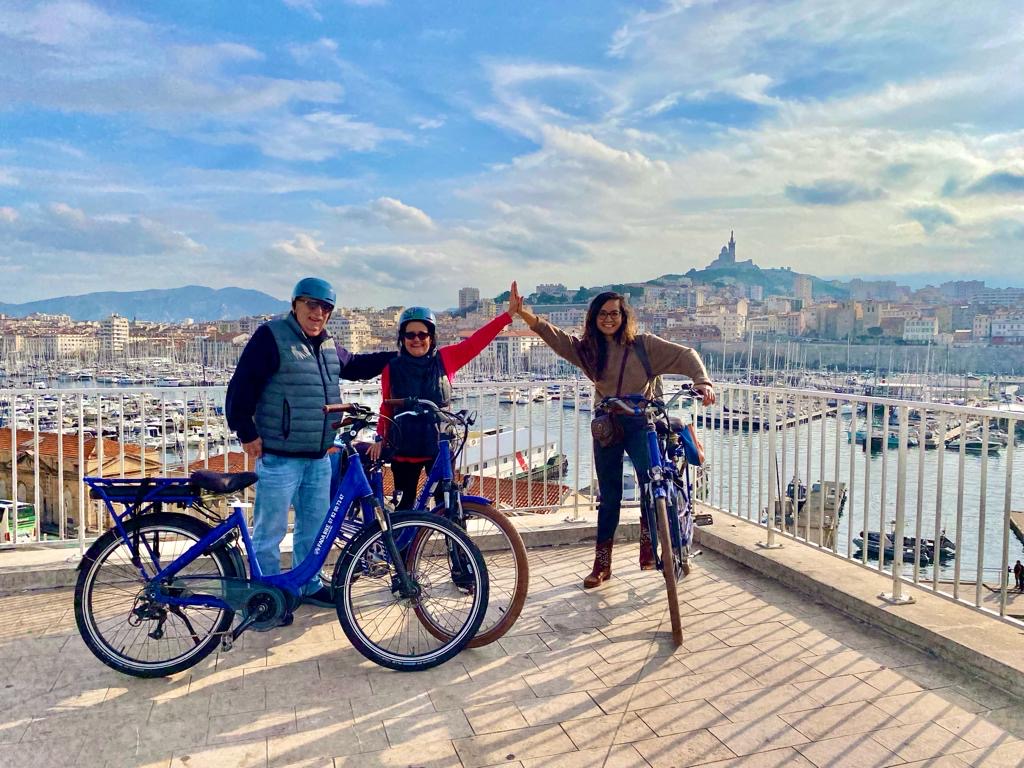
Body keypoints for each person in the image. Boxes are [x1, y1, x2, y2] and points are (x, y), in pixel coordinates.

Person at [511, 283, 715, 588]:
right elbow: (556, 338)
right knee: (609, 498)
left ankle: (661, 551)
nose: (608, 319)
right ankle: (602, 566)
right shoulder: (590, 351)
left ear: (624, 316)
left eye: (614, 313)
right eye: (602, 314)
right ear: (594, 318)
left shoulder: (644, 345)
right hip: (607, 424)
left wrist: (703, 381)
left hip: (640, 423)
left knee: (652, 485)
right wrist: (523, 314)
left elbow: (686, 355)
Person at [226, 277, 395, 608]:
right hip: (279, 455)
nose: (319, 313)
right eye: (312, 305)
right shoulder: (271, 337)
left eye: (326, 308)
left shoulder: (329, 345)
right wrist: (246, 432)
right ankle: (267, 593)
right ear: (295, 305)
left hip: (319, 455)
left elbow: (357, 367)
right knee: (269, 530)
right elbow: (241, 386)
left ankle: (307, 584)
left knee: (313, 528)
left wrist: (398, 355)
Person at [368, 284, 523, 509]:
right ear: (402, 338)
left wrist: (507, 316)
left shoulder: (446, 359)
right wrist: (379, 438)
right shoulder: (391, 368)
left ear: (431, 337)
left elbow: (476, 343)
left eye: (423, 334)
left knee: (449, 505)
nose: (417, 339)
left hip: (438, 446)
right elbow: (386, 407)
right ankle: (405, 545)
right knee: (404, 510)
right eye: (410, 334)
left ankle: (456, 545)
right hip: (403, 450)